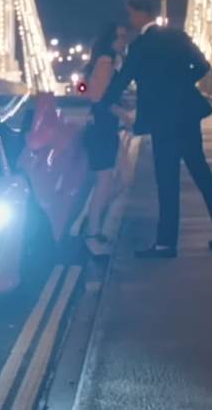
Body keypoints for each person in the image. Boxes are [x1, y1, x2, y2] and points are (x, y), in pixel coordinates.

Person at [94, 0, 212, 258]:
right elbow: (203, 66)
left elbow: (123, 79)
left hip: (161, 119)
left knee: (167, 180)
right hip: (187, 113)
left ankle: (166, 243)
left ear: (140, 13)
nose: (130, 19)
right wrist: (180, 83)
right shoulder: (177, 37)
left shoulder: (140, 46)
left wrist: (102, 104)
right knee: (201, 171)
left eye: (131, 13)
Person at [79, 22, 130, 256]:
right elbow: (98, 99)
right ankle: (92, 234)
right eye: (119, 37)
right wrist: (124, 115)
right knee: (105, 183)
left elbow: (90, 92)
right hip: (101, 130)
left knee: (122, 180)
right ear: (110, 41)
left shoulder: (108, 62)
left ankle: (93, 220)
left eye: (124, 36)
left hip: (105, 128)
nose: (123, 40)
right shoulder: (106, 62)